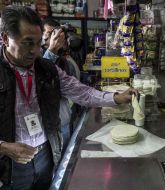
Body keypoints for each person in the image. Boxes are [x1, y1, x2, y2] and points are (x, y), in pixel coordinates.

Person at [0, 6, 137, 190]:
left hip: (45, 155)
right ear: (5, 38)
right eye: (27, 43)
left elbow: (81, 92)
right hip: (9, 165)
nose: (35, 50)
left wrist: (116, 98)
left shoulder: (46, 69)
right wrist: (4, 147)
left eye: (39, 42)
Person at [42, 18, 80, 154]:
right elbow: (40, 78)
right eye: (49, 33)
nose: (54, 37)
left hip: (63, 121)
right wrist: (52, 50)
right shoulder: (37, 57)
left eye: (56, 33)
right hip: (46, 129)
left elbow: (77, 90)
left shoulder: (63, 61)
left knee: (63, 161)